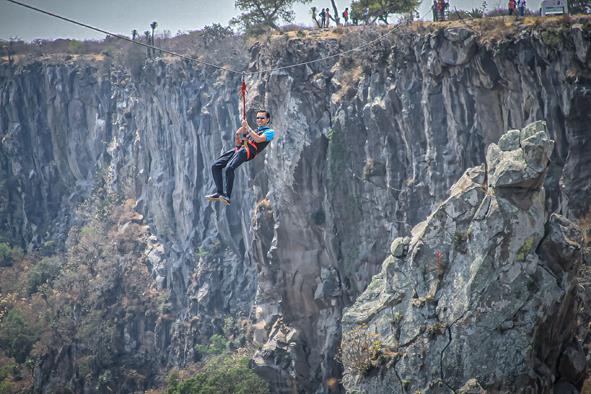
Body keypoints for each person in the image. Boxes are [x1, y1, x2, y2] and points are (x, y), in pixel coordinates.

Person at [205, 110, 276, 205]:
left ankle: (227, 196)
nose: (259, 120)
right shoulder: (255, 131)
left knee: (229, 168)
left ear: (267, 120)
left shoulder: (270, 132)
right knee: (215, 166)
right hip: (241, 149)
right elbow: (238, 144)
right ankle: (219, 192)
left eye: (262, 118)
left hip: (248, 151)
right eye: (258, 118)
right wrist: (238, 134)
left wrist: (247, 127)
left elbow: (258, 139)